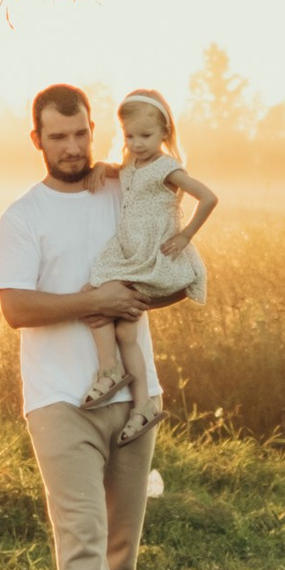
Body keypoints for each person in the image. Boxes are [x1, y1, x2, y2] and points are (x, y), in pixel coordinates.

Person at [0, 85, 196, 570]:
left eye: (81, 133)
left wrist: (155, 286)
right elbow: (16, 308)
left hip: (135, 393)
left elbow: (170, 180)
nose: (74, 147)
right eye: (59, 137)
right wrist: (94, 299)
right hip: (59, 399)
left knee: (122, 544)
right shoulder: (22, 216)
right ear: (38, 140)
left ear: (92, 128)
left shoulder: (123, 186)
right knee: (82, 535)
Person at [82, 86, 220, 440]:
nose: (138, 142)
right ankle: (143, 406)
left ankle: (109, 370)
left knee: (92, 298)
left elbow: (208, 197)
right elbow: (122, 172)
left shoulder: (166, 168)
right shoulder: (131, 163)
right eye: (130, 135)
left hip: (150, 256)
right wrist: (102, 165)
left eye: (146, 135)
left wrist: (187, 234)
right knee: (126, 330)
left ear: (165, 133)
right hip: (128, 253)